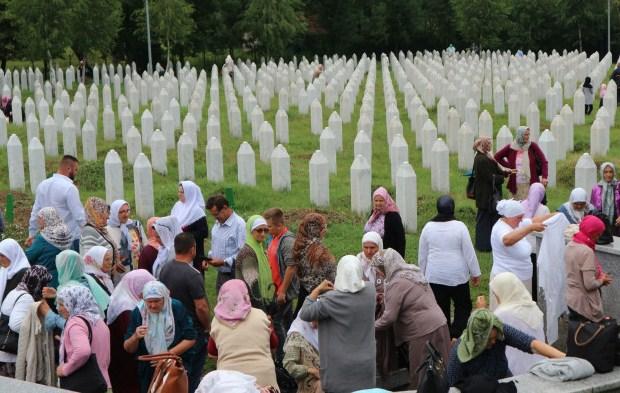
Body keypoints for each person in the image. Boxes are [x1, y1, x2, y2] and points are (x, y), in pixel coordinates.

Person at [374, 249, 450, 389]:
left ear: (387, 267)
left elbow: (389, 317)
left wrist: (370, 326)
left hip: (422, 332)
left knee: (421, 375)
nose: (380, 273)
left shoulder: (396, 282)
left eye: (380, 269)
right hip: (440, 323)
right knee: (441, 370)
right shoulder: (413, 272)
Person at [299, 256, 376, 393]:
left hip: (339, 369)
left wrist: (317, 290)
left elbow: (305, 313)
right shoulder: (370, 292)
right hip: (366, 365)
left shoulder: (330, 301)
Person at [447, 308, 564, 387]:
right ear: (477, 339)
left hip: (504, 382)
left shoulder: (499, 331)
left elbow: (530, 343)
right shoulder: (459, 353)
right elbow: (452, 385)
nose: (494, 342)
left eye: (495, 337)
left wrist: (565, 358)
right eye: (488, 340)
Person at [418, 195, 481, 339]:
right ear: (452, 208)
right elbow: (469, 252)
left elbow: (423, 255)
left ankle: (444, 335)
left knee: (440, 307)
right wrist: (475, 273)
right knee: (463, 306)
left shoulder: (428, 227)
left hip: (435, 276)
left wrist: (422, 276)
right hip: (457, 276)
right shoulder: (460, 227)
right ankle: (457, 334)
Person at [159, 233, 211, 393]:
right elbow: (201, 307)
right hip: (192, 331)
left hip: (171, 328)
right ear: (193, 249)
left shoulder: (165, 268)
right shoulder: (193, 275)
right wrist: (208, 326)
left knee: (176, 374)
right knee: (192, 376)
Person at [124, 281, 196, 393]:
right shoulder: (139, 313)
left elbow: (190, 338)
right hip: (148, 370)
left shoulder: (176, 308)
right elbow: (128, 348)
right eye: (149, 302)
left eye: (157, 301)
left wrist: (166, 357)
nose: (152, 305)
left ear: (165, 298)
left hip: (174, 366)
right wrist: (135, 337)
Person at [208, 279, 279, 389]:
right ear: (246, 295)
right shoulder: (260, 315)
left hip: (231, 383)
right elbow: (274, 345)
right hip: (265, 379)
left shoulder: (216, 321)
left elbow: (212, 354)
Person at [490, 200, 552, 308]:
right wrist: (529, 228)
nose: (521, 220)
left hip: (521, 278)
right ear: (509, 216)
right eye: (519, 217)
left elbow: (534, 220)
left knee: (522, 314)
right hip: (507, 282)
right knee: (509, 314)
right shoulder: (500, 228)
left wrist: (556, 215)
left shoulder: (516, 223)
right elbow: (507, 240)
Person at [107, 270, 155, 393]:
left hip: (120, 354)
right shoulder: (127, 308)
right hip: (126, 359)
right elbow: (131, 337)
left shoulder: (125, 297)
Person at [489, 272, 545, 375]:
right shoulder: (533, 307)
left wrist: (481, 310)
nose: (496, 297)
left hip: (513, 371)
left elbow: (486, 340)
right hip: (540, 366)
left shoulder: (502, 314)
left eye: (496, 293)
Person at [56, 285, 111, 390]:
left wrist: (65, 369)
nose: (59, 309)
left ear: (74, 303)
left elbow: (83, 352)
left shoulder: (75, 323)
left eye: (63, 304)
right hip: (103, 383)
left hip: (83, 384)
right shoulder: (99, 321)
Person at [0, 266, 52, 377]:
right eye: (44, 283)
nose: (46, 287)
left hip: (5, 352)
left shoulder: (15, 291)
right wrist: (37, 330)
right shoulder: (26, 298)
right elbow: (15, 324)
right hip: (11, 354)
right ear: (38, 282)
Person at [27, 155, 85, 251]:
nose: (76, 173)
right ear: (69, 168)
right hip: (68, 239)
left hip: (47, 239)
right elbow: (79, 217)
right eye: (75, 170)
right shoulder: (70, 188)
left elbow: (35, 213)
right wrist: (89, 234)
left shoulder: (42, 185)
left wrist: (32, 234)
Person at [263, 207, 297, 363]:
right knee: (286, 321)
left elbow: (291, 266)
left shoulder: (288, 241)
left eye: (269, 226)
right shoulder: (274, 238)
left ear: (279, 224)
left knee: (277, 322)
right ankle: (293, 352)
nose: (266, 229)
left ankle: (284, 357)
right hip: (275, 288)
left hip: (282, 291)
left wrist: (282, 291)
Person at [565, 215, 612, 323]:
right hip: (583, 305)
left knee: (576, 334)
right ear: (592, 232)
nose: (599, 237)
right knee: (586, 337)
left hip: (571, 299)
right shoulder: (587, 251)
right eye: (598, 234)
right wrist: (602, 281)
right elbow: (589, 284)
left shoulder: (571, 244)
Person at [292, 213, 336, 316]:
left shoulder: (300, 245)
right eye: (323, 226)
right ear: (319, 230)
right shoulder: (321, 252)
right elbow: (332, 278)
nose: (325, 230)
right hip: (320, 296)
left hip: (304, 293)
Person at [42, 250, 110, 317]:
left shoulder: (68, 287)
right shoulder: (87, 278)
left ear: (64, 267)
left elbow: (66, 316)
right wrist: (56, 295)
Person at [472, 137, 509, 251]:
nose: (490, 145)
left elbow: (494, 169)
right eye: (487, 144)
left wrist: (505, 172)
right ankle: (483, 245)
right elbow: (490, 177)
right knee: (484, 221)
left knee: (489, 219)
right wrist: (502, 178)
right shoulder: (482, 159)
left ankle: (489, 244)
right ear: (482, 145)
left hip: (487, 195)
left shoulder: (486, 156)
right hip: (486, 196)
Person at [204, 195, 246, 292]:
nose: (215, 218)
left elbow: (243, 253)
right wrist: (208, 258)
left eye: (217, 214)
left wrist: (224, 262)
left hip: (235, 273)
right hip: (221, 274)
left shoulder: (239, 225)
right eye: (213, 215)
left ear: (225, 208)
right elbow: (215, 246)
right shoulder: (217, 224)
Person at [494, 126, 548, 200]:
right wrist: (509, 167)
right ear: (520, 135)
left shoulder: (532, 146)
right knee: (516, 208)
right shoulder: (511, 147)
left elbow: (544, 161)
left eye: (528, 134)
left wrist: (544, 177)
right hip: (515, 184)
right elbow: (497, 157)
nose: (527, 137)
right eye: (525, 135)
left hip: (530, 183)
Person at [235, 215, 274, 312]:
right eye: (259, 230)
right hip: (250, 304)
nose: (263, 234)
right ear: (250, 231)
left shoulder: (259, 248)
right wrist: (261, 310)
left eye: (266, 230)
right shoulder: (247, 253)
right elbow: (253, 285)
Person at [25, 207, 72, 288]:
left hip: (45, 280)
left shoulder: (43, 238)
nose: (38, 221)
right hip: (64, 277)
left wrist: (30, 247)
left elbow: (28, 257)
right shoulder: (66, 233)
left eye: (40, 218)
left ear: (46, 219)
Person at [520, 182, 550, 301]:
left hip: (522, 245)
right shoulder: (544, 209)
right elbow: (546, 226)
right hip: (536, 247)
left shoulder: (521, 205)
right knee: (535, 275)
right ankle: (534, 299)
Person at [171, 181, 208, 273]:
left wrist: (184, 234)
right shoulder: (177, 206)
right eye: (178, 191)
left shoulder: (197, 211)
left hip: (194, 252)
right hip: (178, 248)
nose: (179, 194)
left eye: (181, 192)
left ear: (189, 193)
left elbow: (204, 232)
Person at [80, 197, 120, 277]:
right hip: (98, 279)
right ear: (98, 213)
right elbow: (91, 262)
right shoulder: (89, 232)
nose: (108, 217)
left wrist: (115, 263)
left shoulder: (100, 229)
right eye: (106, 212)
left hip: (105, 277)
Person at [107, 199, 145, 282]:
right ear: (114, 213)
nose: (126, 214)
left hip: (137, 271)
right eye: (121, 212)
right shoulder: (107, 230)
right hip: (119, 275)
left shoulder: (135, 225)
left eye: (128, 211)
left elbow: (144, 245)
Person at [283, 315, 321, 393]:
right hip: (309, 388)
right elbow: (289, 365)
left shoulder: (318, 333)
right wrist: (312, 371)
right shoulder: (296, 336)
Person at [364, 187, 406, 257]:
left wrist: (400, 259)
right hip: (371, 253)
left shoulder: (393, 216)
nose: (378, 203)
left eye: (381, 201)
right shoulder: (374, 213)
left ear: (386, 200)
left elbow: (400, 240)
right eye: (376, 200)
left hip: (388, 256)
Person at [590, 162, 620, 236]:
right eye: (605, 172)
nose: (608, 175)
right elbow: (592, 208)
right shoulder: (596, 189)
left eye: (610, 172)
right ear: (602, 173)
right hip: (601, 223)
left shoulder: (618, 186)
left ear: (614, 173)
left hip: (617, 222)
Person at [0, 238, 30, 304]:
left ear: (12, 254)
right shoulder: (4, 270)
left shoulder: (25, 273)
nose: (0, 259)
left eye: (2, 256)